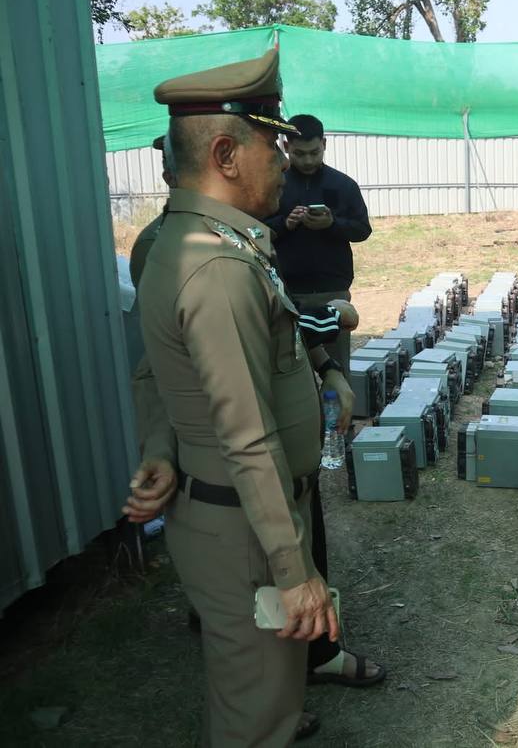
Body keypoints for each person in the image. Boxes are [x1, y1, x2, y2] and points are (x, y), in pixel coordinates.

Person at [125, 130, 384, 706]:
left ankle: (302, 665)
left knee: (294, 557)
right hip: (238, 470)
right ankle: (269, 687)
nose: (283, 165)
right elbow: (165, 371)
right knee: (252, 608)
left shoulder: (239, 237)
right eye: (272, 151)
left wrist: (327, 368)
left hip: (282, 458)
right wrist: (160, 448)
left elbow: (279, 325)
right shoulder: (186, 251)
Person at [138, 48, 340, 746]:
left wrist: (160, 447)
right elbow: (247, 435)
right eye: (270, 145)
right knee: (258, 711)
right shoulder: (217, 267)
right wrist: (294, 570)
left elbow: (158, 372)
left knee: (256, 692)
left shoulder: (193, 242)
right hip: (247, 531)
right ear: (226, 155)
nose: (284, 161)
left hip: (233, 514)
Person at [264, 114, 372, 379]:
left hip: (332, 291)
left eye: (314, 152)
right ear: (286, 146)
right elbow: (255, 230)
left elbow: (362, 229)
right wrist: (285, 224)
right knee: (290, 370)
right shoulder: (273, 185)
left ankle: (338, 407)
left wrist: (332, 224)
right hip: (287, 294)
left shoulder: (343, 185)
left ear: (324, 144)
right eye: (299, 154)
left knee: (336, 370)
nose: (308, 160)